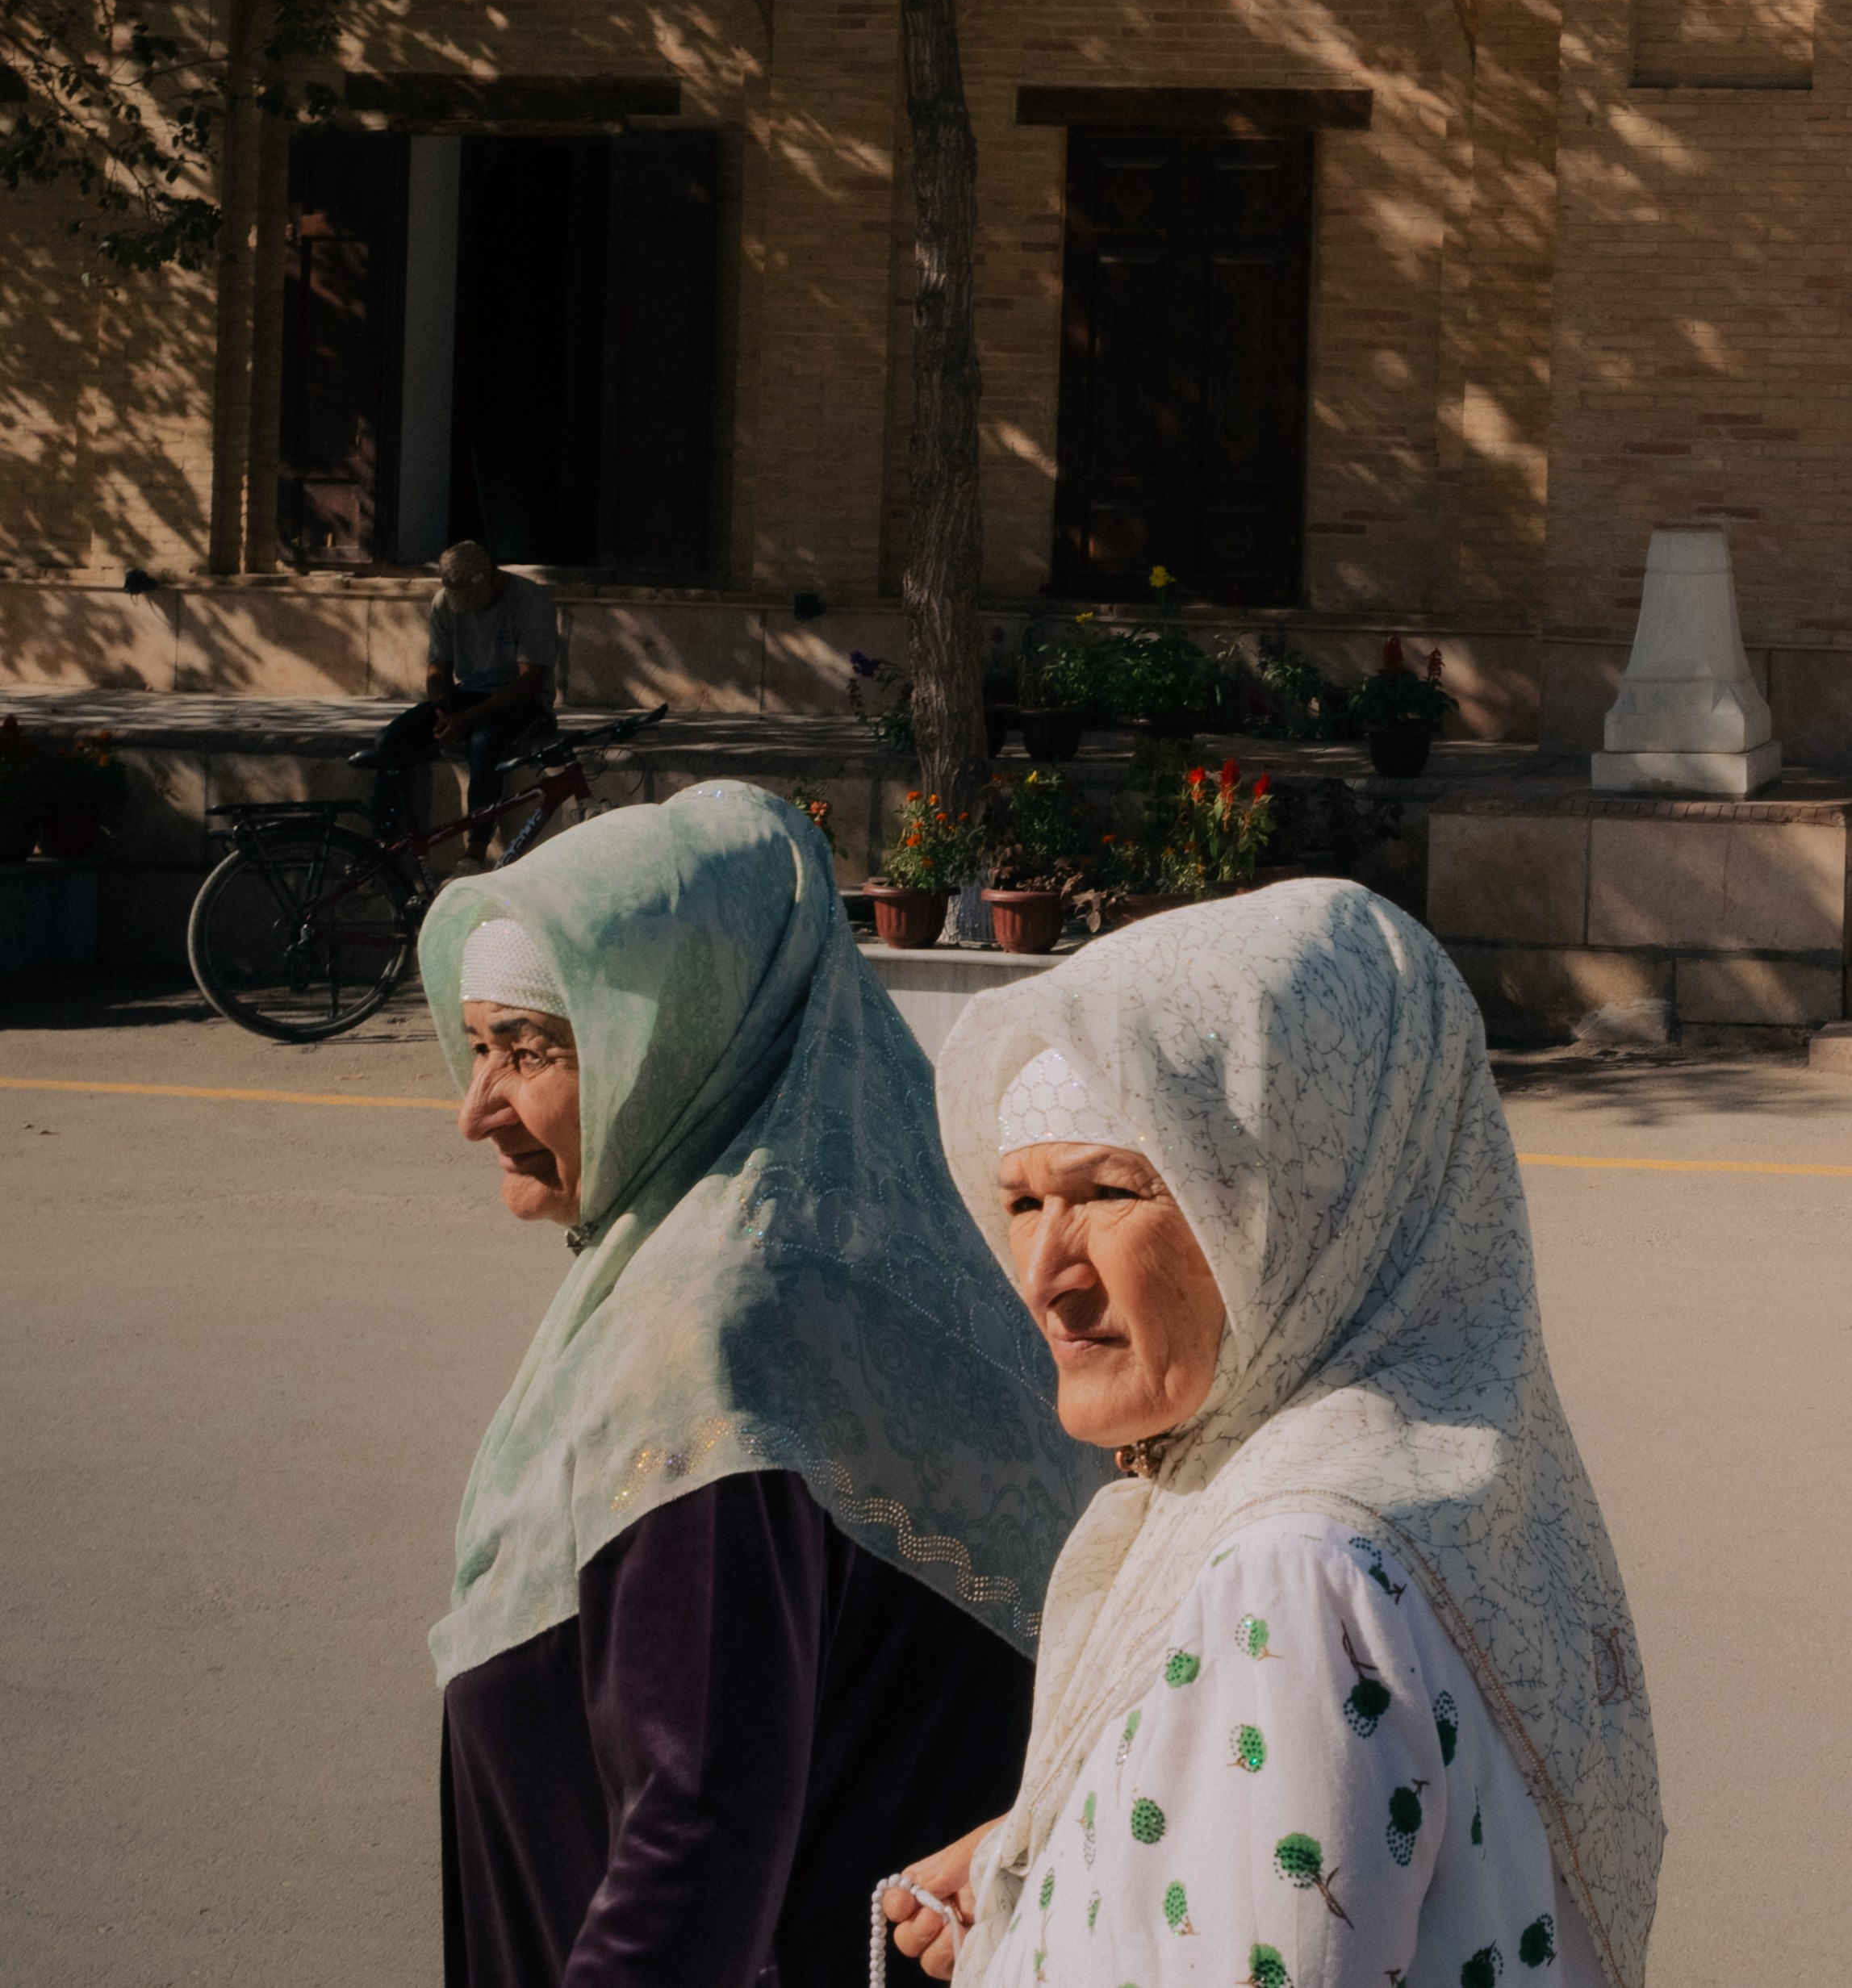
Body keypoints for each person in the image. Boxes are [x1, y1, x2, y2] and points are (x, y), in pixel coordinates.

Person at [884, 881, 1662, 1988]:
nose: (1043, 1279)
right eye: (1019, 1203)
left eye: (1105, 1190)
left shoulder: (1293, 1580)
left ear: (1300, 1204)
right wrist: (1055, 1886)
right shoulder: (1451, 1480)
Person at [417, 781, 1102, 1988]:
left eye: (530, 1051)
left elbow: (697, 1825)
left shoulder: (726, 1334)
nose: (476, 1110)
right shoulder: (845, 1256)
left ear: (676, 1040)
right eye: (478, 1048)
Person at [353, 541, 557, 866]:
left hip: (521, 700)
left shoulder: (531, 601)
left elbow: (530, 682)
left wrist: (470, 717)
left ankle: (476, 851)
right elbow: (438, 669)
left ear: (492, 574)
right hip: (469, 694)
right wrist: (443, 708)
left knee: (485, 742)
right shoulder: (443, 604)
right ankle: (386, 841)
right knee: (390, 741)